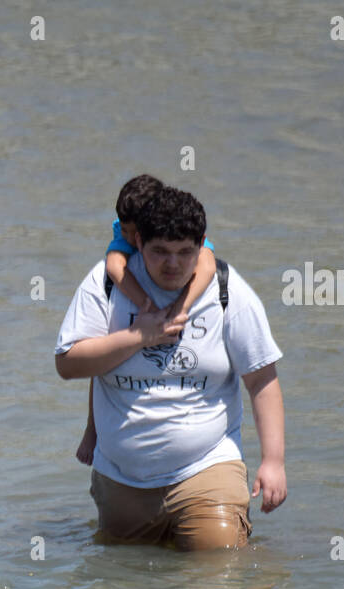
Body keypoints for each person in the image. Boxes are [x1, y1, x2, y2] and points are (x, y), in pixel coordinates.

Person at [54, 186, 286, 549]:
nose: (172, 264)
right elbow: (67, 365)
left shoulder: (226, 289)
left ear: (202, 245)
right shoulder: (105, 283)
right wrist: (137, 336)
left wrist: (273, 460)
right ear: (138, 241)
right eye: (160, 251)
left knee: (219, 572)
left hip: (207, 467)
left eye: (184, 252)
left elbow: (261, 378)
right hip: (120, 480)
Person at [76, 173, 216, 464]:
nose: (128, 239)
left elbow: (208, 263)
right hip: (142, 312)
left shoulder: (177, 230)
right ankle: (92, 430)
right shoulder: (124, 234)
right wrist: (145, 306)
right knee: (104, 366)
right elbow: (115, 264)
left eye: (133, 232)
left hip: (177, 307)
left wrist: (182, 306)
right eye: (125, 232)